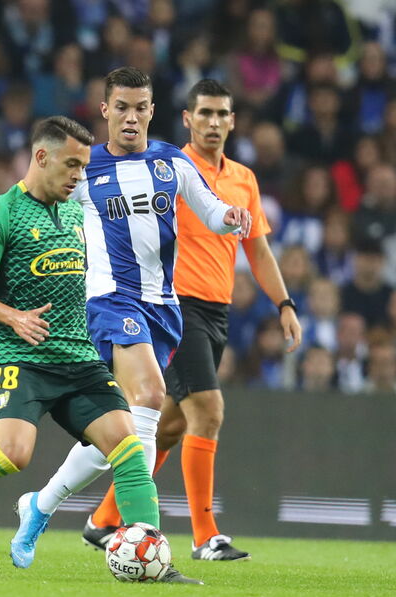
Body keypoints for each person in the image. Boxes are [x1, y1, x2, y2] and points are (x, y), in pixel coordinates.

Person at [0, 116, 198, 584]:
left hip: (80, 358)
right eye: (71, 165)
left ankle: (151, 557)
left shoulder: (79, 211)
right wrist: (13, 316)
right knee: (13, 455)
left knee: (127, 447)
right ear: (41, 157)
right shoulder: (0, 213)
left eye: (84, 167)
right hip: (21, 357)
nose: (78, 176)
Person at [11, 68, 253, 566]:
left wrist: (230, 217)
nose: (131, 116)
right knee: (150, 395)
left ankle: (40, 505)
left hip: (164, 308)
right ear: (104, 111)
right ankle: (142, 534)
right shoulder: (85, 168)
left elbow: (209, 211)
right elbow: (35, 204)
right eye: (121, 107)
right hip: (109, 302)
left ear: (151, 112)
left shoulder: (171, 162)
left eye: (140, 107)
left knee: (116, 433)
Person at [74, 79, 301, 561]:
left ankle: (103, 520)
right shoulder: (160, 166)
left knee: (174, 424)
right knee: (209, 411)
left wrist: (284, 304)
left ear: (233, 120)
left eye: (222, 114)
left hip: (215, 309)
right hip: (172, 303)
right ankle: (205, 536)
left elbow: (255, 246)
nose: (214, 123)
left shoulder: (243, 179)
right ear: (185, 119)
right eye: (205, 114)